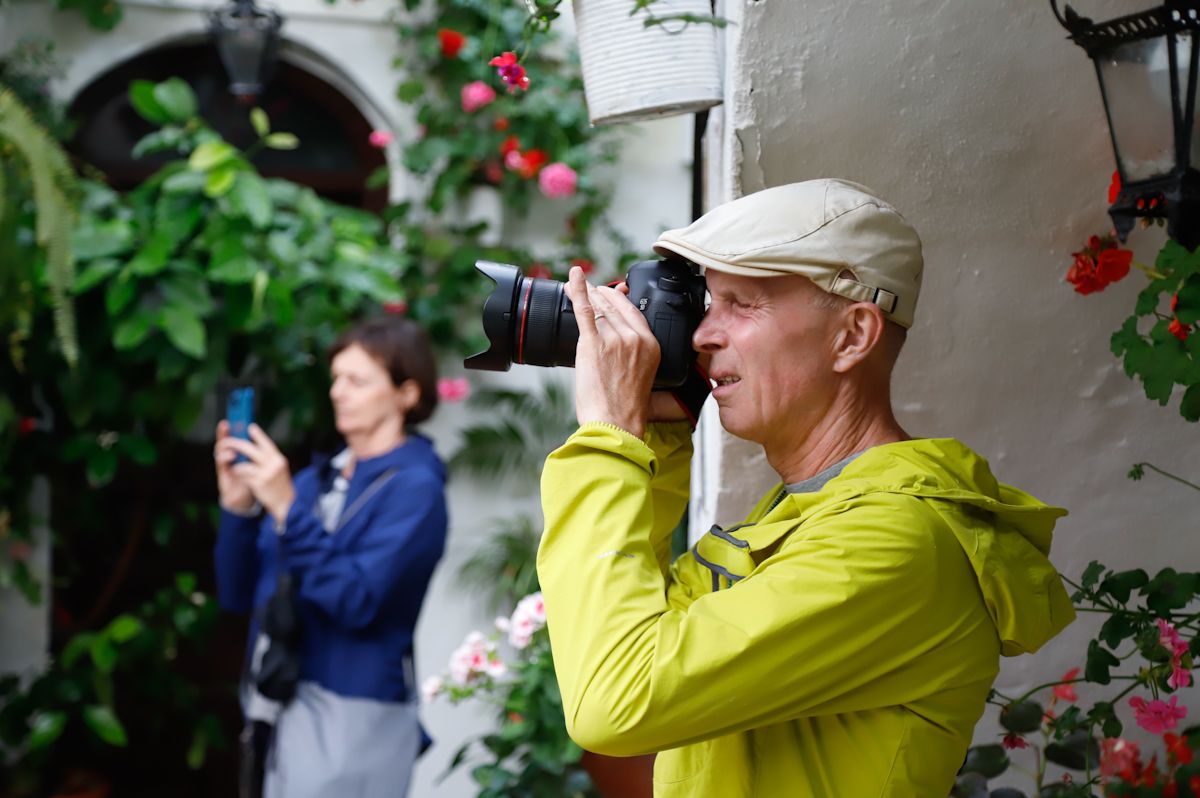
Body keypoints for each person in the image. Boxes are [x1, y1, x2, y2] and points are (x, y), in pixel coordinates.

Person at [536, 179, 1076, 796]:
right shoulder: (809, 511)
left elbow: (615, 700)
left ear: (851, 336)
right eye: (710, 304)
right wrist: (653, 438)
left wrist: (608, 437)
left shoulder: (895, 543)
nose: (704, 336)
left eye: (742, 305)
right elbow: (633, 632)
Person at [213, 317, 447, 798]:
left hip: (351, 717)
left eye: (357, 380)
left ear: (407, 393)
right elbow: (238, 594)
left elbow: (355, 603)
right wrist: (238, 509)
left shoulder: (416, 490)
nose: (338, 392)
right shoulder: (314, 482)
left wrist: (285, 509)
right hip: (275, 707)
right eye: (336, 378)